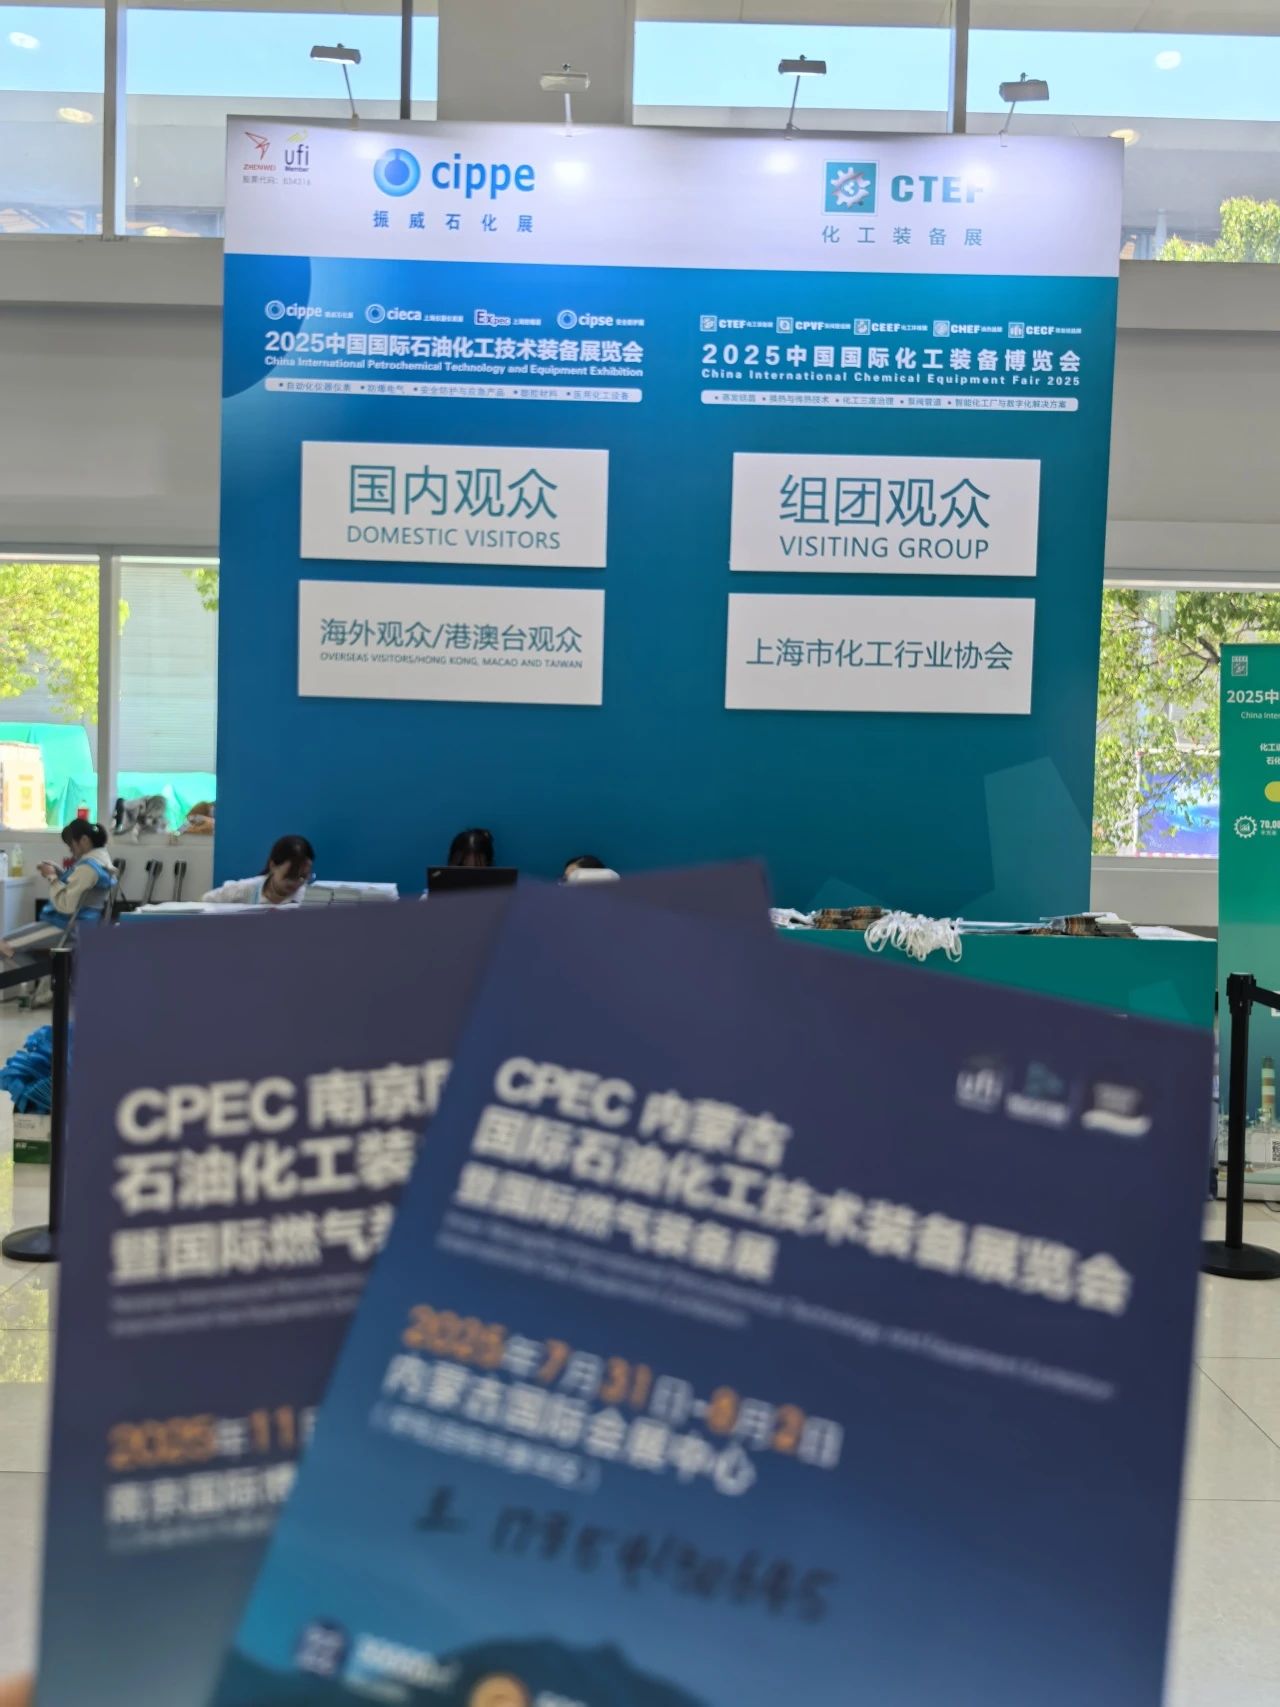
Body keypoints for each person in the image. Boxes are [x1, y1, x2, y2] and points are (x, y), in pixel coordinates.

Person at [37, 820, 118, 922]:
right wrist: (60, 873)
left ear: (84, 840)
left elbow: (66, 905)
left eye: (71, 844)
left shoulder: (87, 869)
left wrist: (52, 877)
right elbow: (80, 888)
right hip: (87, 921)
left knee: (19, 933)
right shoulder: (101, 863)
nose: (70, 849)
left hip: (69, 924)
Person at [203, 834, 315, 906]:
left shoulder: (309, 899)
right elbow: (206, 901)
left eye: (303, 876)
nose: (297, 882)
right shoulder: (245, 890)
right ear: (273, 866)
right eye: (290, 875)